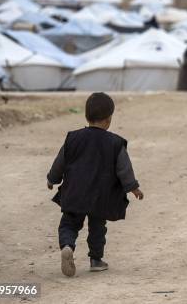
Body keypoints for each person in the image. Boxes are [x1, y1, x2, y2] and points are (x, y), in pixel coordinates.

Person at [47, 92, 144, 277]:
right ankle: (96, 260)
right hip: (101, 196)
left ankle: (67, 246)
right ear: (108, 120)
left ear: (86, 116)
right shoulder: (115, 143)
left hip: (74, 192)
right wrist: (133, 187)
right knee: (98, 227)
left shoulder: (73, 138)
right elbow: (124, 169)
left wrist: (52, 179)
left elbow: (60, 162)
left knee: (69, 223)